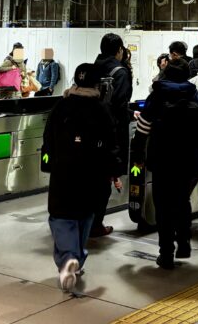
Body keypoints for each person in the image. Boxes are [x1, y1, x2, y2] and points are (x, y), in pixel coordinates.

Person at [40, 64, 122, 292]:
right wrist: (114, 172)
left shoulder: (62, 105)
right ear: (98, 85)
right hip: (92, 174)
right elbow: (111, 144)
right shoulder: (101, 109)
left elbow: (48, 138)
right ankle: (76, 260)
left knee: (61, 217)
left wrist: (48, 163)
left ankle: (68, 259)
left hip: (63, 173)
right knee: (84, 216)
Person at [132, 58, 198, 269]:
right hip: (189, 162)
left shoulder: (156, 96)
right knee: (181, 200)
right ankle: (184, 241)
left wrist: (138, 156)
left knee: (163, 207)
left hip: (162, 161)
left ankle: (166, 253)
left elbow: (142, 130)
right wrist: (196, 147)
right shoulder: (196, 96)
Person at [91, 33, 133, 237]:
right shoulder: (121, 72)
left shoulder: (91, 68)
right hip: (111, 132)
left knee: (91, 178)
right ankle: (95, 224)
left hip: (89, 130)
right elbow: (119, 105)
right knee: (104, 180)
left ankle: (85, 221)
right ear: (119, 50)